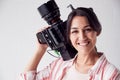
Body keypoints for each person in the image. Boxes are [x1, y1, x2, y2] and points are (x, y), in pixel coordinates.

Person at [19, 7, 120, 80]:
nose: (82, 37)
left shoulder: (110, 74)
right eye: (75, 31)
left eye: (87, 29)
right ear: (69, 36)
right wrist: (40, 50)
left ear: (97, 31)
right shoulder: (60, 64)